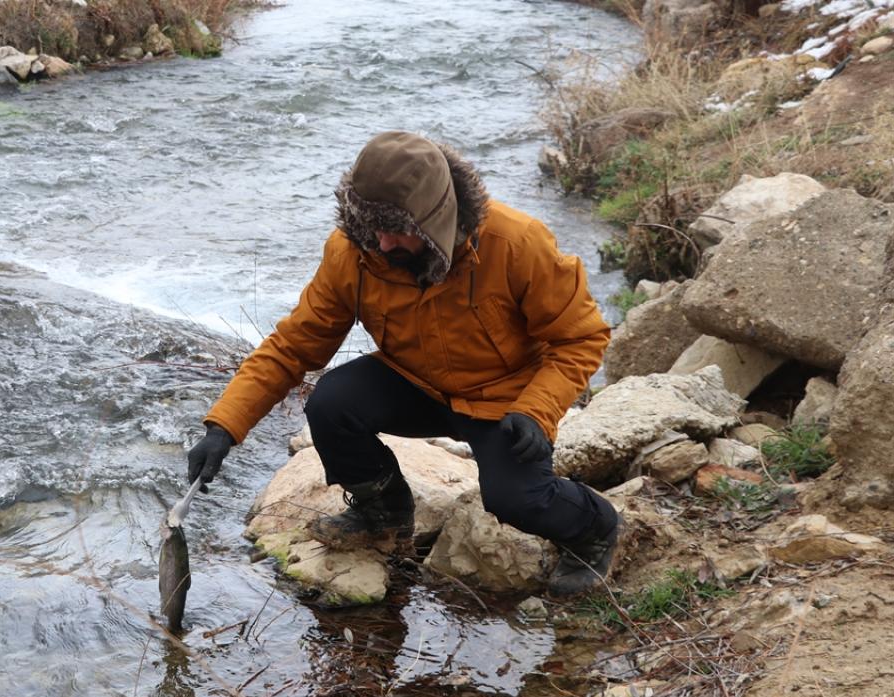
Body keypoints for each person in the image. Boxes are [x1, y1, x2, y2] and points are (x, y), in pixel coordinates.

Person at [187, 130, 619, 596]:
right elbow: (294, 346)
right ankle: (384, 512)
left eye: (398, 230)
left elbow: (580, 338)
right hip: (417, 384)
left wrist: (538, 409)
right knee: (331, 403)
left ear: (438, 218)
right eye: (371, 228)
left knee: (517, 502)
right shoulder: (353, 253)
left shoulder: (516, 243)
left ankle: (596, 528)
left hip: (505, 399)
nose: (383, 243)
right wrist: (224, 427)